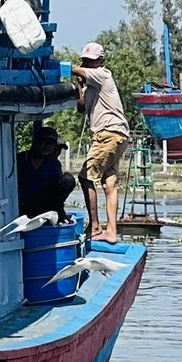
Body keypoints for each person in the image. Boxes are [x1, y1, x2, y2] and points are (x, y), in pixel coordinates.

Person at [70, 40, 130, 242]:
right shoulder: (91, 87)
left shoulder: (104, 75)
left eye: (92, 61)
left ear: (101, 62)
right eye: (86, 61)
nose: (88, 65)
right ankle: (112, 231)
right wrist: (80, 88)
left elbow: (74, 70)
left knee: (86, 177)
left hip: (108, 134)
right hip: (117, 135)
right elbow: (80, 108)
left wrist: (74, 70)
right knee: (109, 183)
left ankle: (95, 226)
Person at [16, 124, 76, 219]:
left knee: (68, 179)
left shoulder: (54, 164)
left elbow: (57, 194)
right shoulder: (20, 160)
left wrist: (61, 215)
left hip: (45, 204)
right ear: (36, 142)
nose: (47, 146)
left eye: (51, 143)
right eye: (45, 142)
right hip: (23, 203)